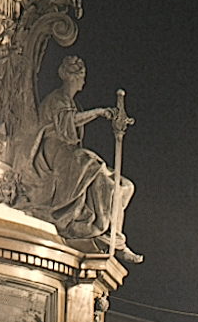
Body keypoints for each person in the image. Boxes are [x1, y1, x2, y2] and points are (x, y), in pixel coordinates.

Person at [20, 56, 137, 256]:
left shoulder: (71, 102)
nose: (84, 81)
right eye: (82, 76)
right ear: (73, 77)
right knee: (98, 172)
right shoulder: (57, 99)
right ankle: (110, 237)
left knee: (125, 185)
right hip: (56, 155)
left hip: (70, 156)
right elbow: (68, 122)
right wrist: (98, 112)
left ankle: (114, 237)